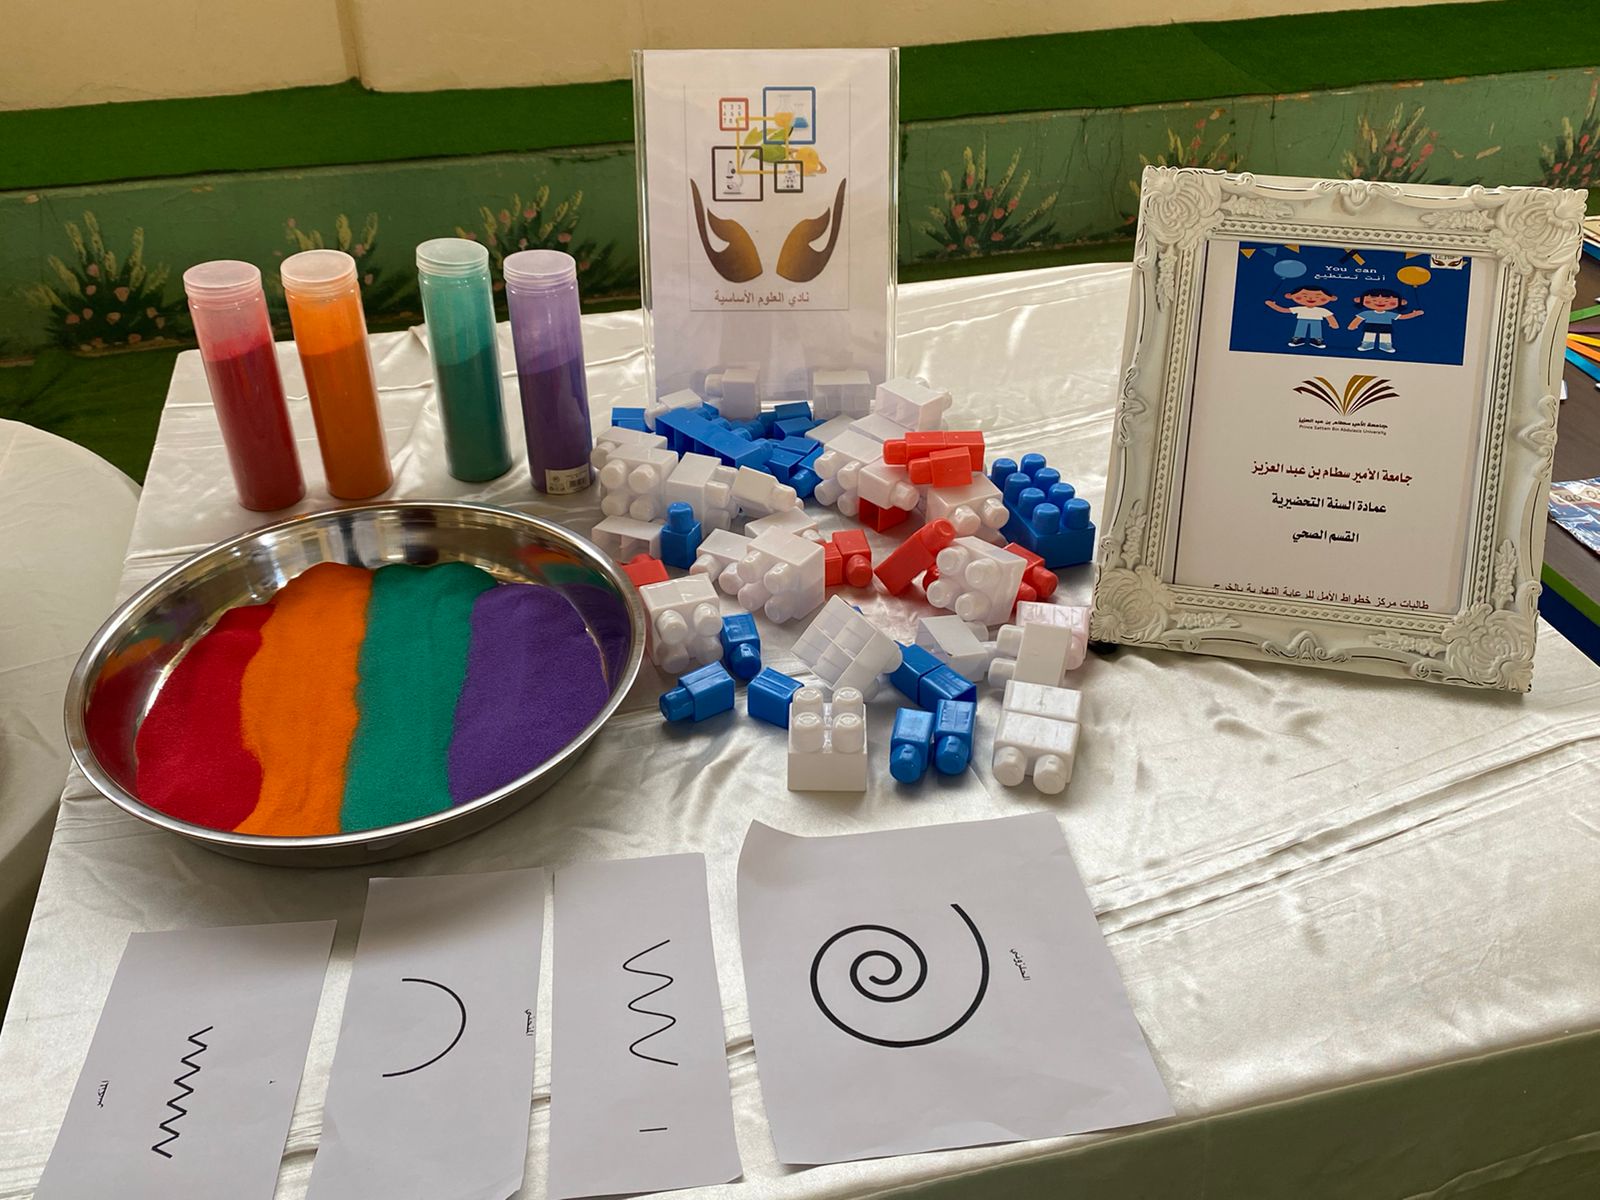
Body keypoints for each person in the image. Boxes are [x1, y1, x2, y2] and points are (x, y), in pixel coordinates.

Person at [1349, 287, 1423, 353]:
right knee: (1369, 336)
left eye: (1387, 301)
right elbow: (1358, 319)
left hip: (1385, 326)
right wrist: (1353, 325)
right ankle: (1367, 345)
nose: (1379, 302)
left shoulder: (1389, 314)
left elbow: (1402, 317)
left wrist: (1415, 314)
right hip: (1370, 326)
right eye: (1373, 300)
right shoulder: (1367, 313)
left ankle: (1385, 346)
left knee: (1385, 337)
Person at [1265, 286, 1341, 348]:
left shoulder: (1321, 310)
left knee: (1316, 330)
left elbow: (1329, 316)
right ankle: (1298, 339)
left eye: (1318, 297)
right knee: (1300, 329)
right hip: (1302, 319)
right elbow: (1284, 310)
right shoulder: (1300, 308)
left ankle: (1316, 340)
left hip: (1316, 320)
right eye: (1304, 296)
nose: (1311, 298)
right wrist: (1272, 305)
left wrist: (1333, 324)